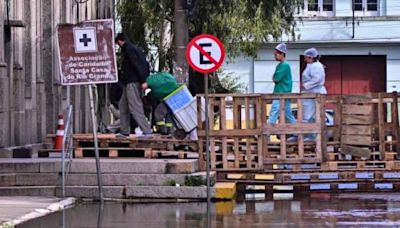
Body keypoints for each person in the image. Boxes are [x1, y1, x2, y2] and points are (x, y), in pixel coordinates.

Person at [114, 33, 152, 138]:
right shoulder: (136, 49)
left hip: (132, 82)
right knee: (123, 105)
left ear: (120, 41)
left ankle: (147, 131)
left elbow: (137, 65)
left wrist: (143, 80)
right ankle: (124, 131)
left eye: (118, 44)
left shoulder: (129, 50)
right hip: (129, 83)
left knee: (135, 107)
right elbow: (145, 65)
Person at [267, 43, 297, 127]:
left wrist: (273, 77)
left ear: (282, 54)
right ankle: (297, 132)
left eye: (276, 54)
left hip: (280, 92)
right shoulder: (283, 65)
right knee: (288, 113)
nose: (275, 56)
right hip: (285, 92)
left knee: (274, 110)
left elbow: (276, 78)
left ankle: (268, 130)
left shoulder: (284, 65)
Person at [301, 47, 327, 141]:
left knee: (312, 115)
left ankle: (314, 137)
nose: (304, 59)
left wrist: (306, 85)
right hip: (310, 93)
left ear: (311, 58)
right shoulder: (311, 65)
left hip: (314, 93)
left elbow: (317, 79)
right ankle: (310, 136)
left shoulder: (316, 66)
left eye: (306, 57)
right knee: (308, 116)